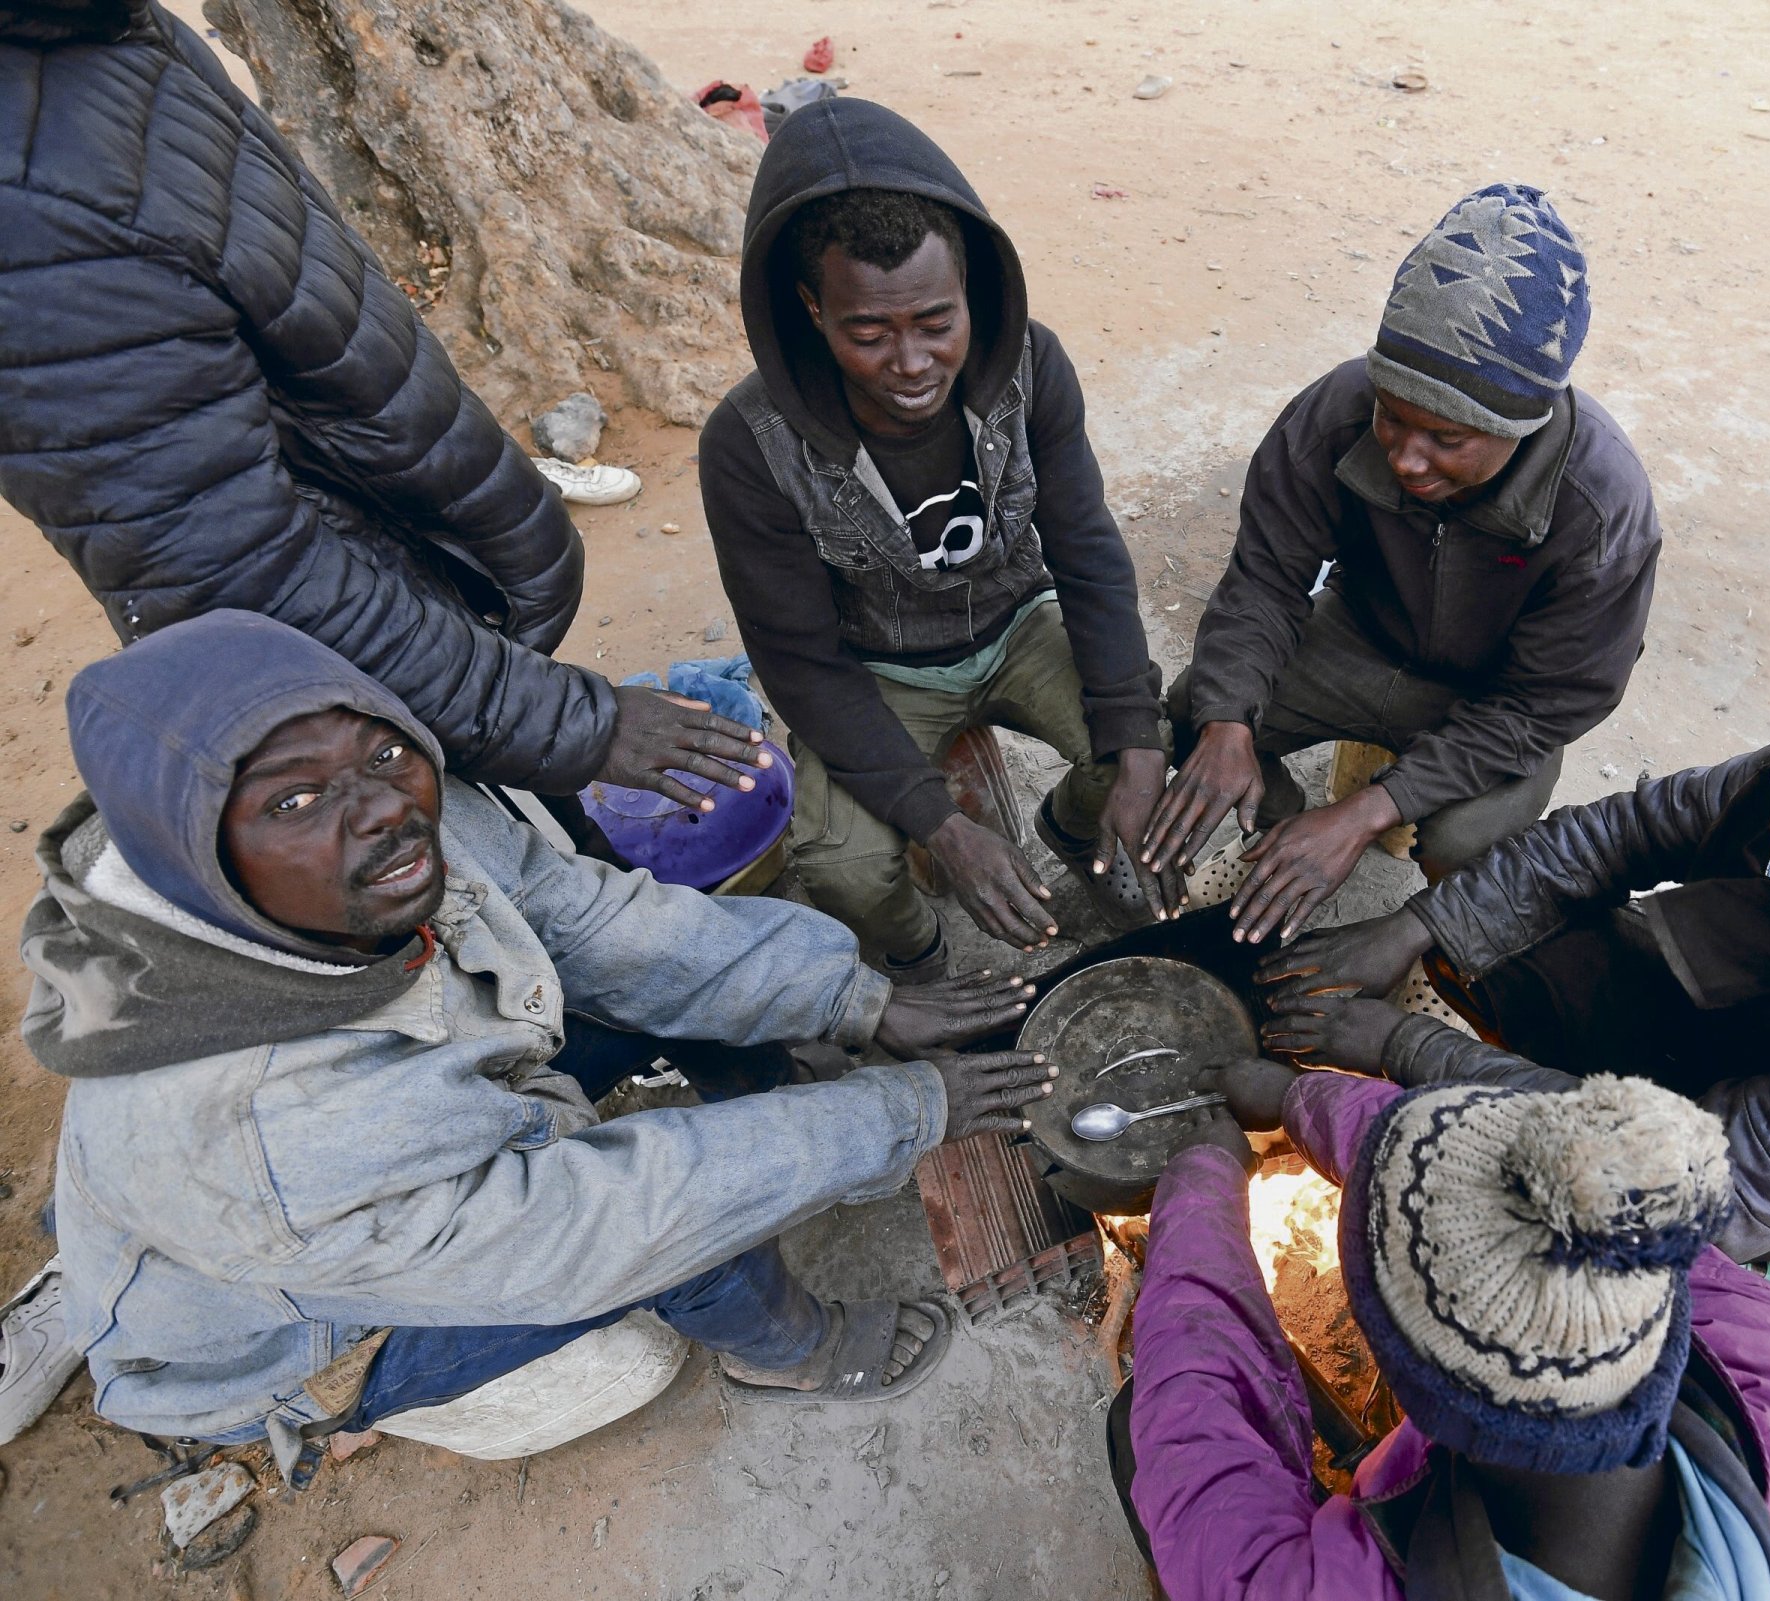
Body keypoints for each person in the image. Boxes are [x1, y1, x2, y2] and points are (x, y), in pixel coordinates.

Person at [19, 611, 1061, 1453]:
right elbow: (600, 1221)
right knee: (678, 1235)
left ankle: (798, 1107)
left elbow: (590, 918)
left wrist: (853, 999)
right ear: (193, 851)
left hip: (394, 1145)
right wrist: (899, 1110)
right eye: (293, 797)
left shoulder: (355, 834)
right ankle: (790, 1349)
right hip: (286, 1334)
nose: (380, 805)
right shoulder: (274, 1131)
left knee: (651, 1007)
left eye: (386, 747)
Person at [0, 0, 763, 815]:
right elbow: (236, 577)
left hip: (429, 622)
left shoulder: (95, 29)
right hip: (369, 690)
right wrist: (575, 723)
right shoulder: (29, 208)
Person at [1260, 626, 1770, 1316]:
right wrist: (1418, 923)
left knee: (1554, 1248)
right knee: (1511, 943)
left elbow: (1673, 1183)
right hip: (1761, 1030)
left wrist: (1406, 1048)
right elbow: (1633, 828)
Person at [700, 96, 1170, 977]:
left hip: (1019, 620)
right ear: (810, 308)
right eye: (867, 332)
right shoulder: (750, 442)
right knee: (838, 864)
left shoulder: (1032, 365)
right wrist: (940, 826)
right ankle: (918, 964)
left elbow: (1089, 555)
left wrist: (1136, 734)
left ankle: (1071, 831)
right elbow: (800, 662)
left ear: (969, 292)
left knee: (1146, 743)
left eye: (936, 323)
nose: (910, 364)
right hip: (877, 663)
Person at [1113, 1057, 1770, 1600]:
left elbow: (1200, 1422)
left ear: (1414, 1395)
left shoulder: (1286, 1588)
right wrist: (1297, 1096)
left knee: (1136, 1423)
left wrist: (1203, 1177)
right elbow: (1506, 1171)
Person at [1139, 183, 1661, 947]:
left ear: (1517, 425)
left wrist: (1369, 810)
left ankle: (1444, 945)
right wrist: (1226, 725)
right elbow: (1264, 580)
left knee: (1469, 838)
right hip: (1357, 634)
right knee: (1197, 717)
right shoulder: (1338, 408)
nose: (1407, 458)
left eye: (1447, 439)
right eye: (1393, 415)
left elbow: (1545, 706)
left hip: (1495, 702)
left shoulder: (1603, 509)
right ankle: (1280, 841)